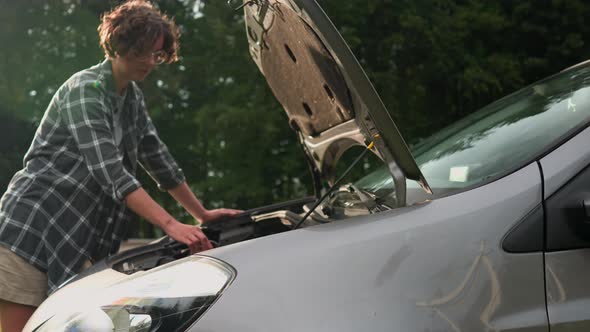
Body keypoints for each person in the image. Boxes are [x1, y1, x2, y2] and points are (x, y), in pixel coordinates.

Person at [0, 1, 241, 331]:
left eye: (157, 54)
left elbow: (159, 161)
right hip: (32, 229)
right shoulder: (85, 90)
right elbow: (111, 172)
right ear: (118, 44)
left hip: (75, 237)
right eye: (143, 51)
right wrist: (172, 225)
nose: (150, 61)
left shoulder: (132, 100)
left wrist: (201, 215)